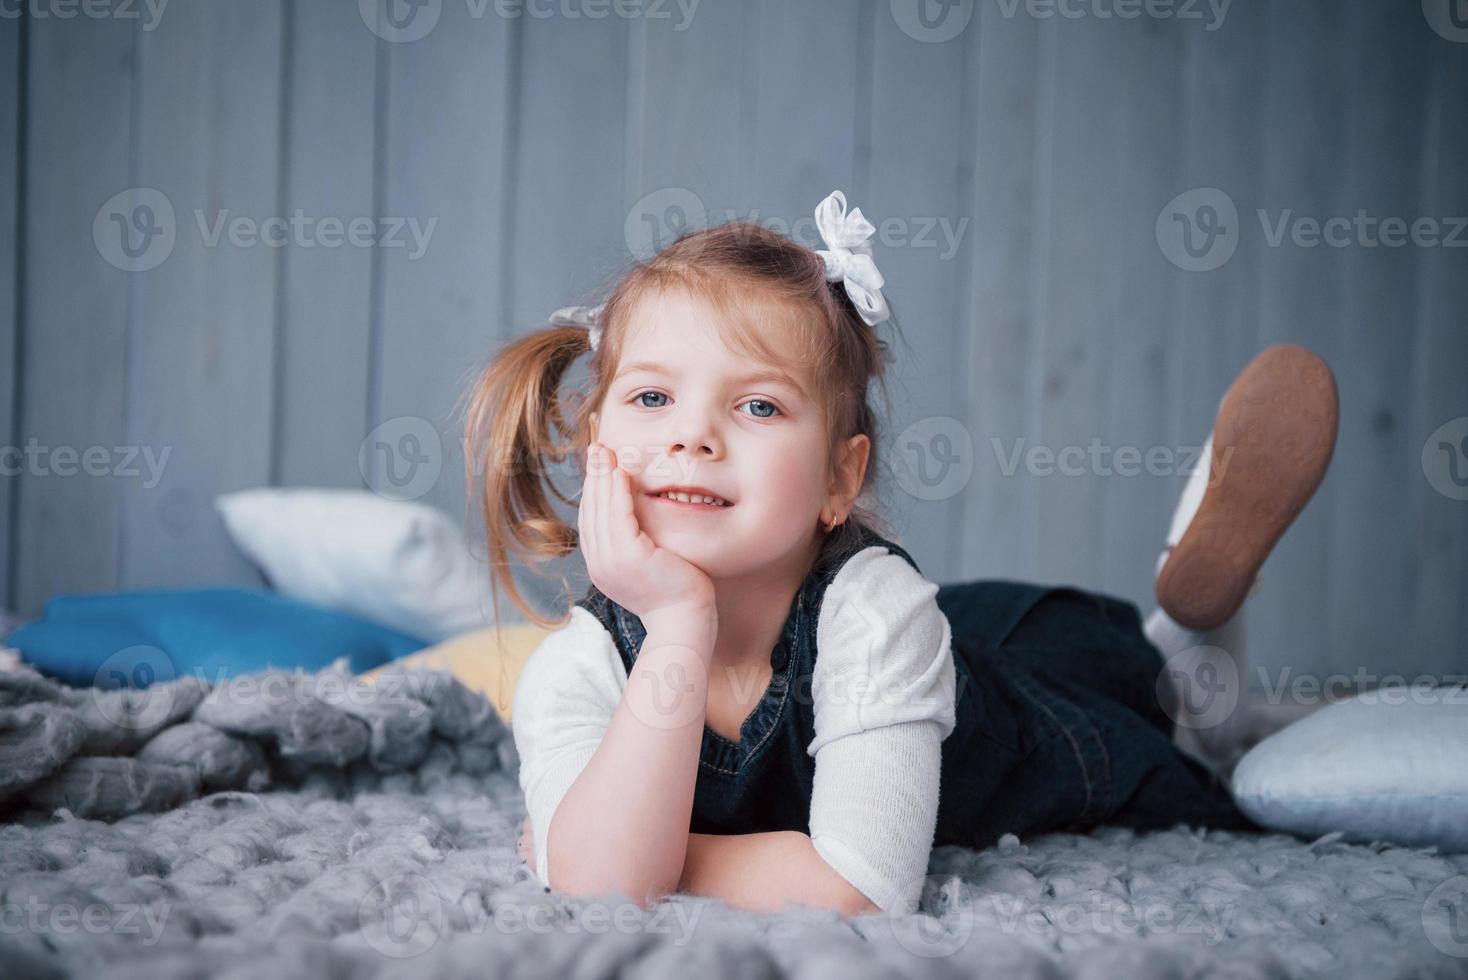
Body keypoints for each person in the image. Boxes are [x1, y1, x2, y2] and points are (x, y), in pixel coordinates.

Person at [461, 190, 1340, 919]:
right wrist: (680, 627)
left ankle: (1196, 615)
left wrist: (633, 853)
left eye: (759, 408)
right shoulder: (576, 669)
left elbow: (864, 888)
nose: (693, 434)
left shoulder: (877, 614)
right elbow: (610, 889)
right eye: (653, 396)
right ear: (593, 442)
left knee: (1165, 707)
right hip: (925, 666)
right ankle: (1190, 619)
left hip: (1029, 718)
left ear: (841, 481)